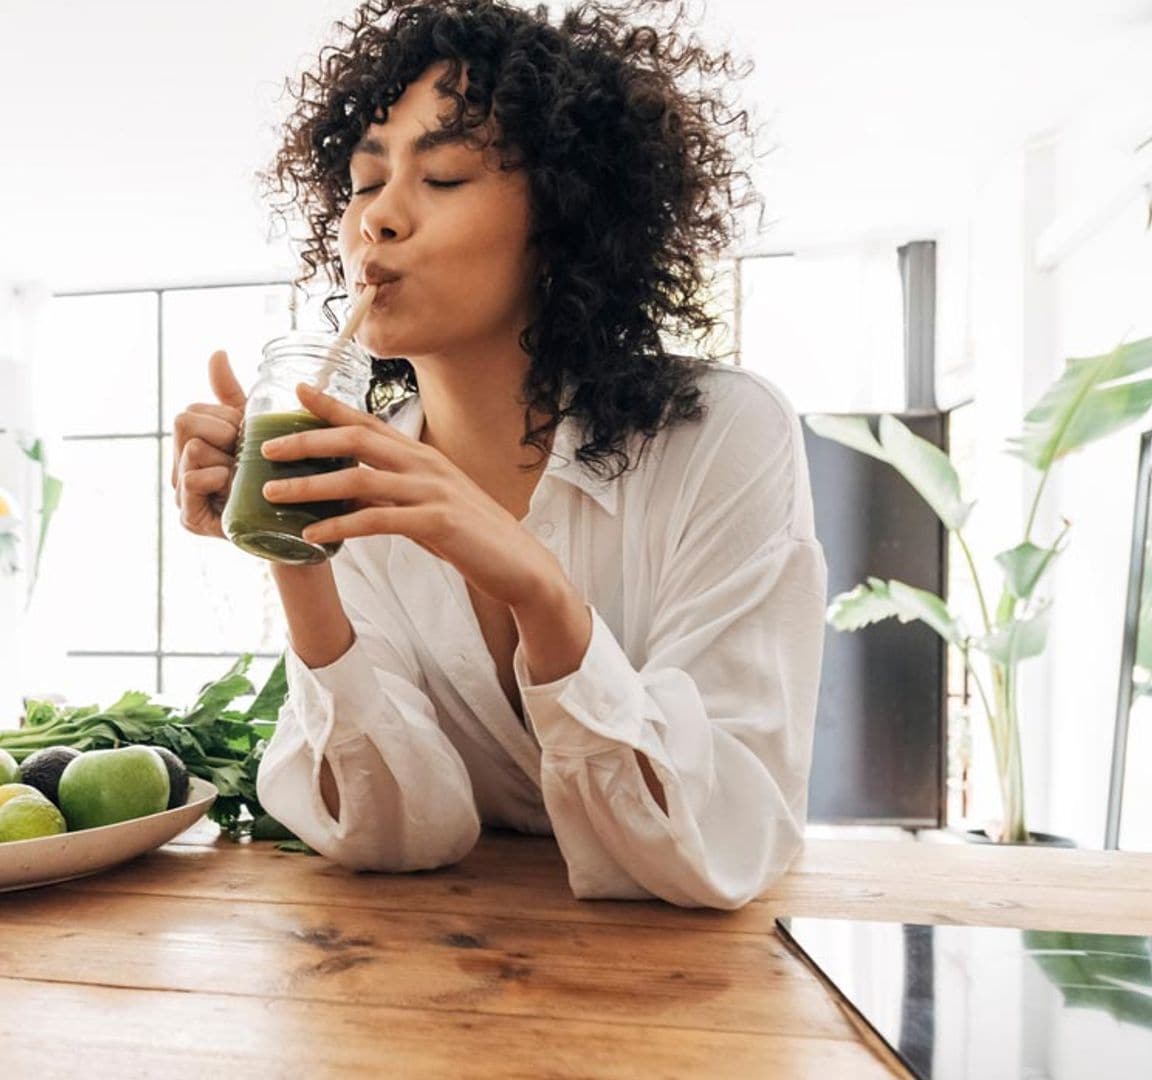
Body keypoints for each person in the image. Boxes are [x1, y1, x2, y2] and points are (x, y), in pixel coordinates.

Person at [169, 0, 828, 909]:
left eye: (441, 177)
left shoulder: (722, 436)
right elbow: (393, 836)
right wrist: (295, 551)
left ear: (563, 220)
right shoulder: (355, 473)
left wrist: (542, 594)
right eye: (365, 183)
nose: (380, 220)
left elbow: (724, 839)